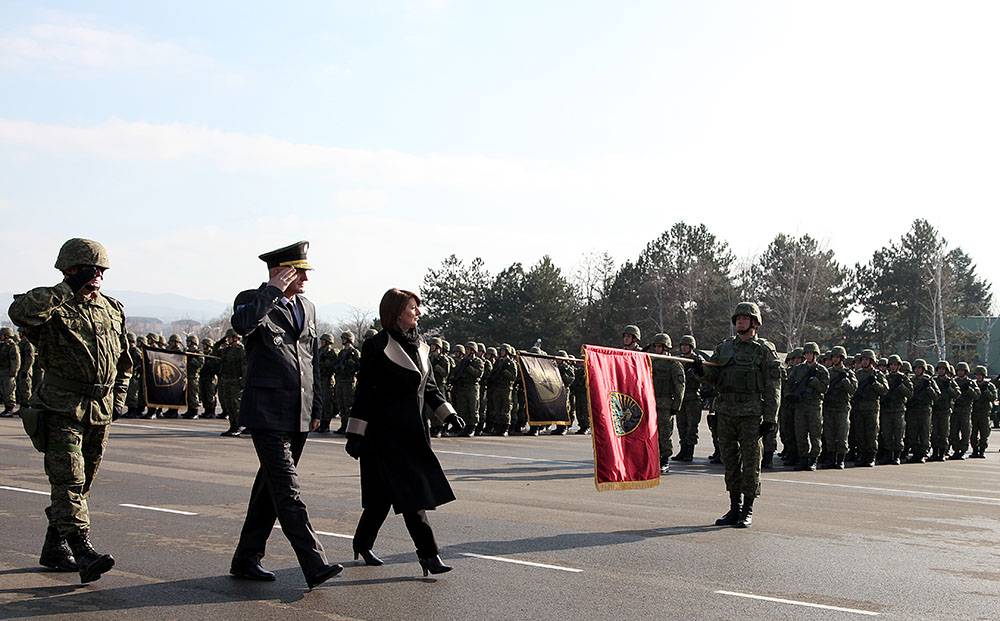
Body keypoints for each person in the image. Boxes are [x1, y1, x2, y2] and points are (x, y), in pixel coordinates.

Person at [8, 238, 130, 583]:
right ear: (71, 270)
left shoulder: (112, 308)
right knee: (69, 480)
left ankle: (53, 547)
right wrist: (66, 289)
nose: (97, 277)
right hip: (62, 407)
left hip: (100, 409)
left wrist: (118, 396)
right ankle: (82, 549)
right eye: (90, 270)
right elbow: (20, 313)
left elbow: (125, 361)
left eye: (101, 271)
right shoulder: (52, 305)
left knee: (83, 482)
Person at [229, 241, 342, 589]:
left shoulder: (306, 306)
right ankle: (314, 562)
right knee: (287, 490)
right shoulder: (253, 298)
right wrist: (271, 291)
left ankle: (247, 557)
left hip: (299, 413)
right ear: (282, 271)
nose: (306, 276)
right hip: (267, 413)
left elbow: (312, 361)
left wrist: (318, 406)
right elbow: (243, 326)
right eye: (299, 270)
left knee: (269, 490)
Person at [345, 288, 465, 575]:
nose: (418, 313)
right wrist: (356, 434)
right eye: (413, 308)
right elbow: (365, 393)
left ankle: (362, 543)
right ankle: (429, 555)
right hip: (383, 436)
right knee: (413, 498)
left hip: (414, 434)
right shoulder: (376, 346)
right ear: (397, 312)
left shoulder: (421, 345)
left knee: (380, 500)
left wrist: (449, 414)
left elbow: (431, 389)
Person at [695, 302, 780, 529]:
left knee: (751, 462)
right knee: (730, 460)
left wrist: (771, 418)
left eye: (745, 318)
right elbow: (713, 377)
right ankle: (734, 507)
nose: (740, 322)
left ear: (754, 322)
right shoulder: (724, 349)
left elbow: (773, 386)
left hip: (751, 413)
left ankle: (747, 508)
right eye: (738, 319)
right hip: (726, 411)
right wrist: (700, 369)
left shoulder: (763, 350)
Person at [649, 333, 684, 473]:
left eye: (660, 346)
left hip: (665, 404)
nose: (658, 349)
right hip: (651, 402)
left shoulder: (674, 364)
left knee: (664, 434)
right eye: (656, 346)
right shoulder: (651, 362)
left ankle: (664, 460)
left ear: (666, 347)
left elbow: (679, 386)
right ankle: (653, 458)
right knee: (651, 433)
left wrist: (676, 405)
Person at [673, 335, 703, 462]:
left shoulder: (697, 360)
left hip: (693, 398)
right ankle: (683, 449)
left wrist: (697, 370)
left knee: (692, 427)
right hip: (681, 398)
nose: (684, 347)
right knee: (681, 425)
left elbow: (702, 377)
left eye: (687, 345)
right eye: (683, 345)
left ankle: (689, 451)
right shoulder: (678, 360)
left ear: (692, 347)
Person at [970, 366, 996, 458]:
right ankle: (975, 450)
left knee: (984, 433)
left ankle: (982, 451)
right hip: (974, 412)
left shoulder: (989, 386)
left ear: (984, 376)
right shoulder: (972, 384)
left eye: (980, 375)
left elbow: (993, 398)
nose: (979, 377)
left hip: (984, 413)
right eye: (977, 375)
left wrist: (986, 391)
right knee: (973, 433)